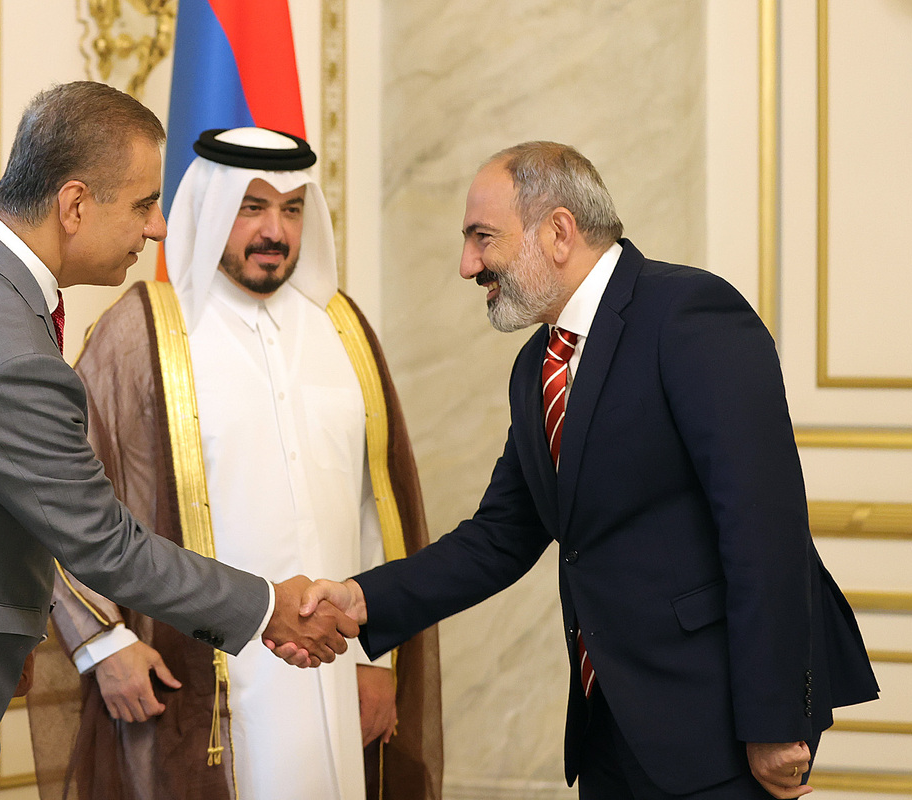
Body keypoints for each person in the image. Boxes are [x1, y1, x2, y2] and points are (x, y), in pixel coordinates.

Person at [0, 82, 357, 800]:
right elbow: (106, 546)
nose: (159, 228)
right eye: (144, 204)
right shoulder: (8, 354)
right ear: (75, 205)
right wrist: (266, 606)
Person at [289, 141, 880, 800]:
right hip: (610, 730)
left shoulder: (690, 313)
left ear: (559, 231)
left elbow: (764, 529)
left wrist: (774, 719)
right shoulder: (535, 365)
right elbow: (501, 536)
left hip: (719, 727)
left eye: (483, 237)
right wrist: (363, 599)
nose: (467, 265)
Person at [27, 127, 443, 800]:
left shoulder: (343, 330)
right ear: (212, 208)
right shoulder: (143, 331)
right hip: (199, 683)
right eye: (252, 207)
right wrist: (103, 645)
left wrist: (379, 656)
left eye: (292, 209)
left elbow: (378, 507)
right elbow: (60, 500)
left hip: (335, 679)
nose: (275, 230)